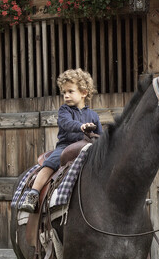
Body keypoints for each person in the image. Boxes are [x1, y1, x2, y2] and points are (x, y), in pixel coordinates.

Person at [18, 68, 103, 213]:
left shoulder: (93, 115)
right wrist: (81, 126)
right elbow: (66, 124)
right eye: (64, 92)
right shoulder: (64, 110)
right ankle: (32, 194)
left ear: (84, 93)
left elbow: (100, 134)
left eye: (70, 91)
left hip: (86, 147)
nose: (66, 96)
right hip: (66, 147)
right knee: (51, 162)